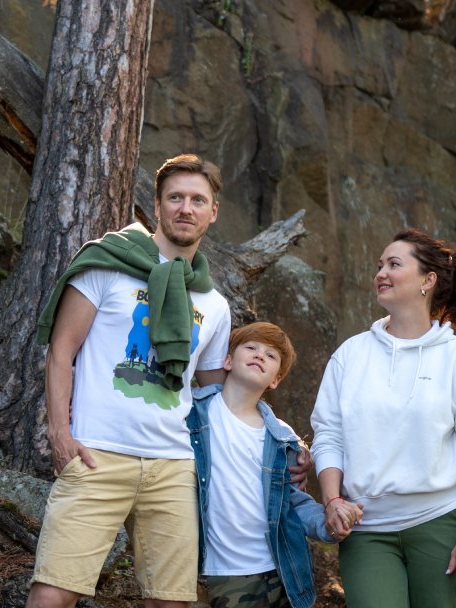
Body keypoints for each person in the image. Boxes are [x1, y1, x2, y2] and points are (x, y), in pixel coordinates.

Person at [27, 154, 309, 608]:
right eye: (175, 197)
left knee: (170, 600)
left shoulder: (213, 304)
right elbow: (61, 352)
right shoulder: (107, 264)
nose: (186, 208)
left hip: (175, 466)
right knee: (53, 591)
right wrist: (60, 434)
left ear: (213, 212)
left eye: (198, 200)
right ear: (156, 205)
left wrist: (284, 445)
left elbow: (223, 398)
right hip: (98, 454)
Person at [310, 228, 456, 607]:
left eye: (394, 264)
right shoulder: (350, 355)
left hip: (440, 524)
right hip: (366, 529)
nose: (381, 273)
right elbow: (328, 434)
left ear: (427, 281)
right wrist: (332, 501)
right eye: (379, 265)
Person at [188, 322, 358, 608]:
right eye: (251, 347)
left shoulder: (282, 437)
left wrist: (329, 522)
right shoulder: (192, 413)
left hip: (281, 569)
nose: (259, 355)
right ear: (227, 361)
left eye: (270, 355)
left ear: (276, 380)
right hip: (225, 570)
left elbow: (293, 503)